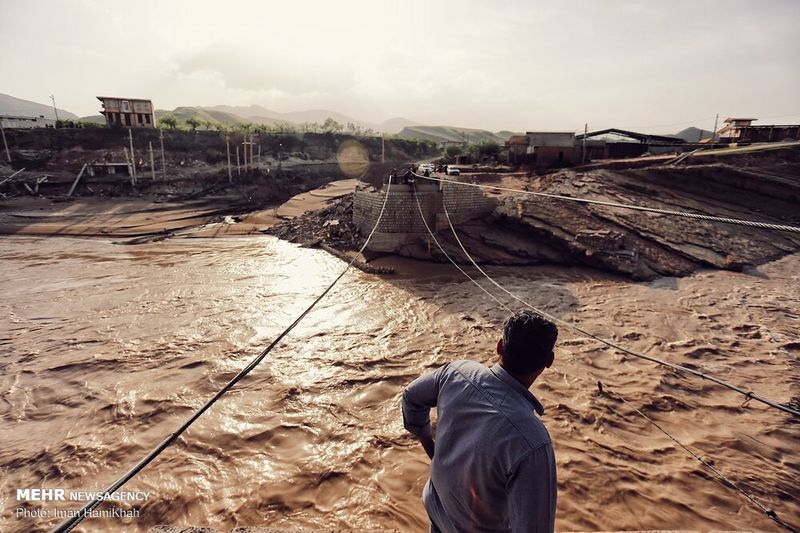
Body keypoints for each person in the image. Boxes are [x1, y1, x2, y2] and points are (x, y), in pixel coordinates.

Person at [402, 310, 558, 532]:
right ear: (549, 361)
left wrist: (430, 446)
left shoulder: (456, 372)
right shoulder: (533, 442)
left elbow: (411, 397)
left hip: (438, 513)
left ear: (499, 346)